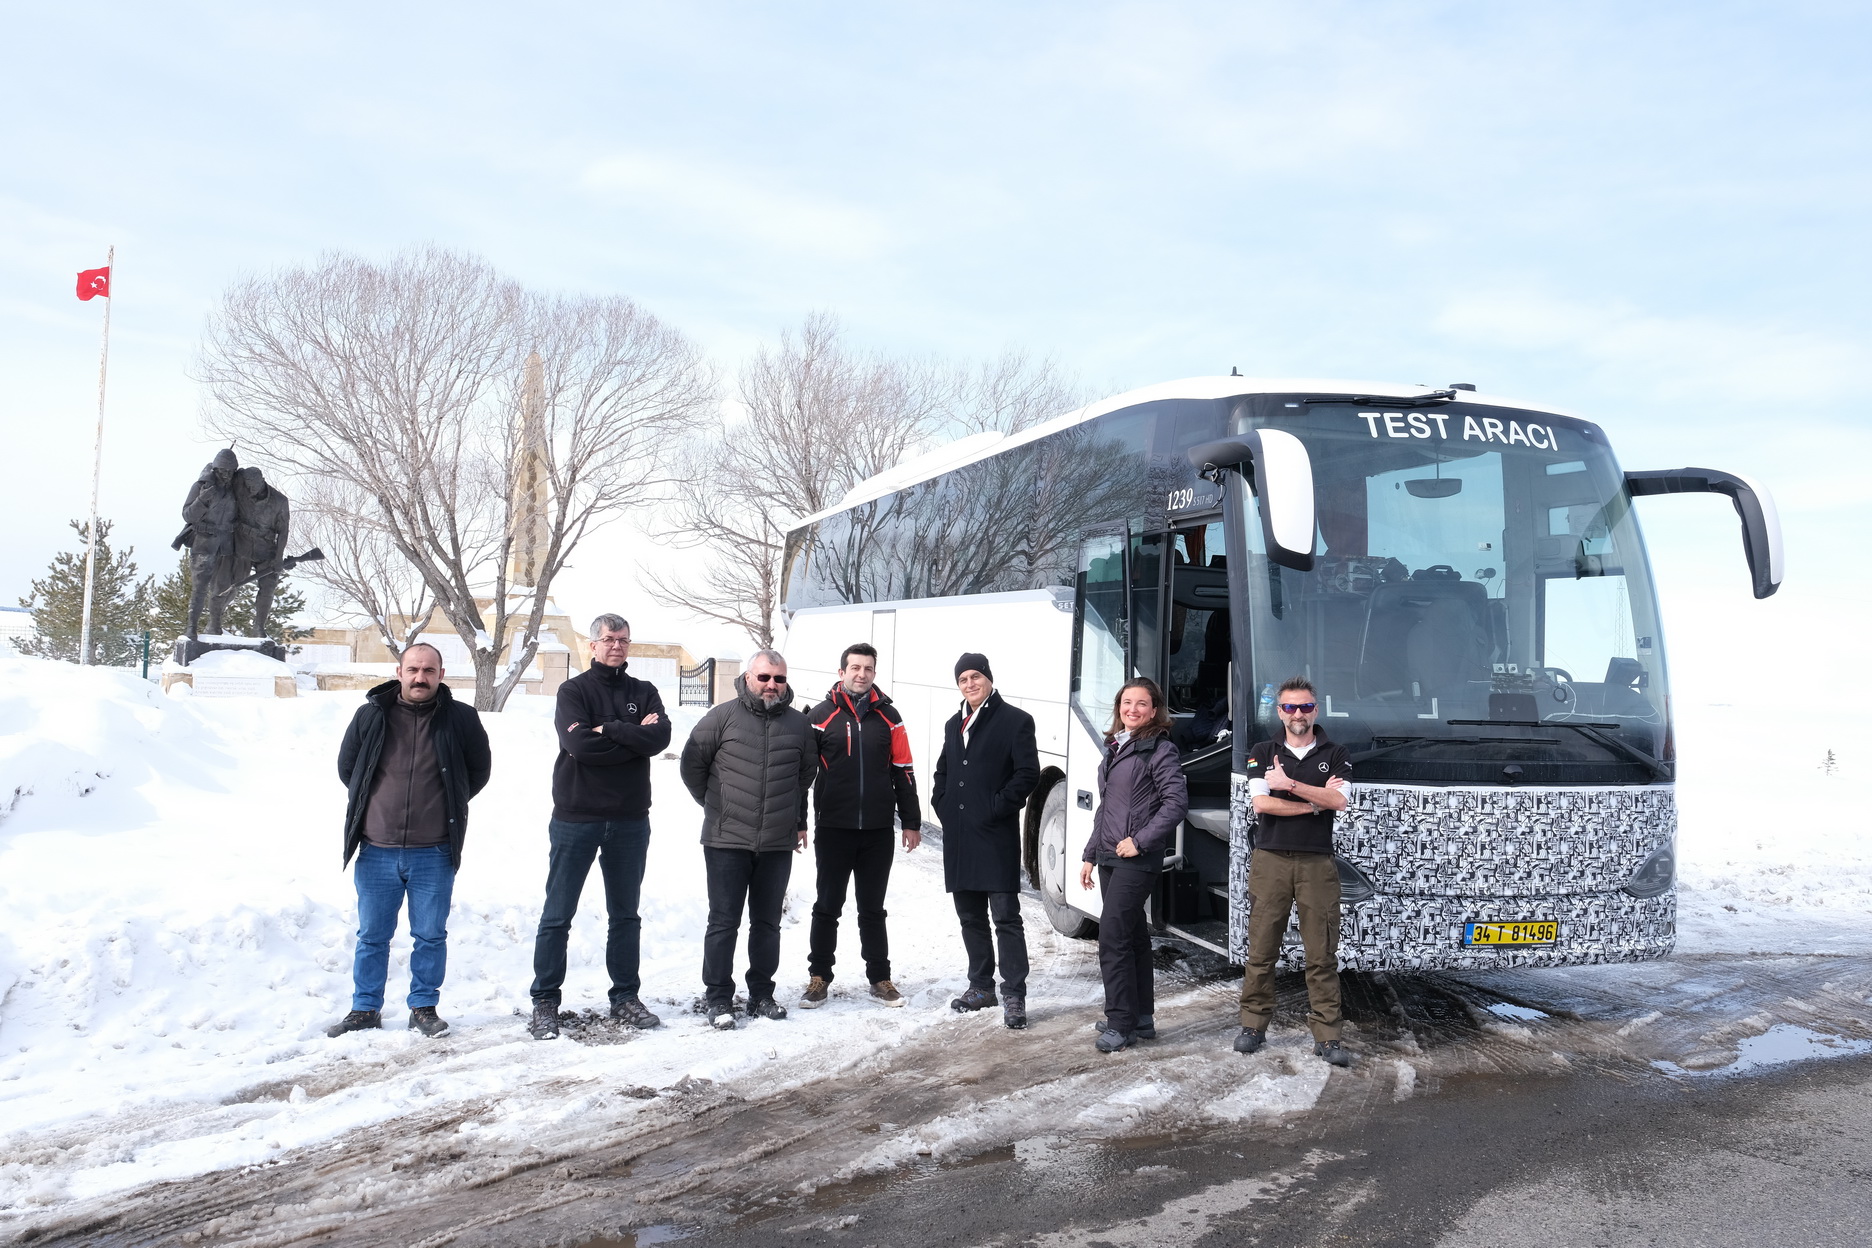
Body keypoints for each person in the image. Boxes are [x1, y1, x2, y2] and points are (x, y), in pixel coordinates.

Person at [327, 643, 491, 1039]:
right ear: (399, 671)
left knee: (431, 935)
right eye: (414, 669)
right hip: (376, 850)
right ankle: (365, 1009)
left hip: (433, 850)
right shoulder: (371, 715)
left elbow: (478, 771)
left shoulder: (461, 719)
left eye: (429, 671)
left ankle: (423, 1007)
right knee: (371, 936)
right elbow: (349, 769)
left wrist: (444, 801)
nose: (421, 677)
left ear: (441, 673)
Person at [526, 614, 672, 1041]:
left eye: (623, 640)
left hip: (630, 820)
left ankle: (625, 996)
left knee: (625, 916)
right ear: (592, 645)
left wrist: (608, 728)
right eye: (608, 639)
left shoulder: (643, 691)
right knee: (558, 915)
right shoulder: (574, 691)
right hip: (577, 818)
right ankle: (545, 1001)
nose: (616, 646)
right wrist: (631, 739)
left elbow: (658, 740)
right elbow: (578, 745)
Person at [680, 648, 817, 1031]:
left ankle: (761, 994)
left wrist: (789, 816)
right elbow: (692, 766)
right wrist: (715, 805)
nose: (771, 685)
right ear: (748, 677)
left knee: (767, 923)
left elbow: (805, 776)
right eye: (764, 677)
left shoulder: (799, 726)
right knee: (723, 922)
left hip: (776, 842)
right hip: (727, 840)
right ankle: (719, 998)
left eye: (779, 679)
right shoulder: (720, 718)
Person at [1233, 677, 1354, 1067]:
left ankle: (1328, 1036)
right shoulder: (1261, 751)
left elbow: (1340, 800)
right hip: (1271, 860)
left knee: (1321, 952)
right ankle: (1253, 1025)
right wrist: (1315, 804)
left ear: (1316, 710)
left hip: (1317, 863)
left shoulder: (1336, 753)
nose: (1297, 714)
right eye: (1289, 707)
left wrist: (1290, 785)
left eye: (1304, 707)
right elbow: (1263, 805)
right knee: (1262, 947)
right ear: (1279, 711)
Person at [800, 642, 923, 1009]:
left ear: (873, 673)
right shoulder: (819, 716)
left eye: (867, 668)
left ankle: (880, 978)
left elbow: (904, 770)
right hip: (834, 828)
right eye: (855, 668)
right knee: (827, 905)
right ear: (842, 672)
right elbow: (802, 774)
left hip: (876, 831)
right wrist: (799, 822)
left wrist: (911, 821)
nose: (861, 674)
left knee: (872, 908)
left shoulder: (890, 716)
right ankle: (819, 977)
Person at [930, 652, 1039, 1030]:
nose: (970, 684)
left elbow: (1027, 774)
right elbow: (942, 771)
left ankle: (1014, 994)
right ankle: (980, 986)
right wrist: (941, 804)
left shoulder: (1015, 721)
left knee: (1006, 918)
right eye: (963, 679)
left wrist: (996, 807)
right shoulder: (953, 724)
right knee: (970, 917)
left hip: (995, 836)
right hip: (960, 836)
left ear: (989, 679)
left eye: (976, 676)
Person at [1079, 678, 1188, 1053]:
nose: (1133, 709)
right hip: (1110, 856)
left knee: (1113, 937)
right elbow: (1106, 807)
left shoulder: (1160, 750)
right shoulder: (1117, 747)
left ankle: (1120, 1023)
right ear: (1119, 707)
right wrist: (1090, 854)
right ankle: (1140, 1018)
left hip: (1137, 859)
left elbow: (1176, 804)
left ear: (1154, 710)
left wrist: (1140, 841)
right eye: (1127, 703)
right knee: (1134, 936)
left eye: (1142, 704)